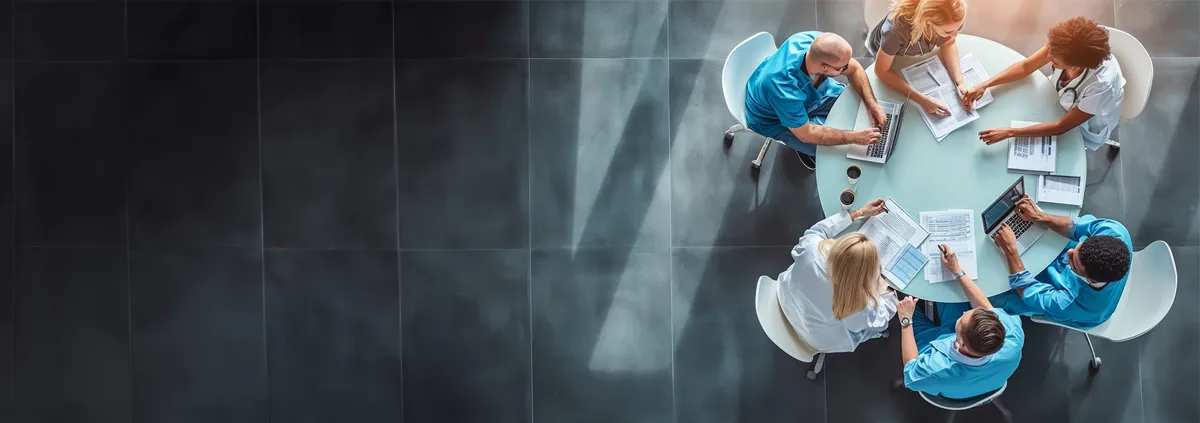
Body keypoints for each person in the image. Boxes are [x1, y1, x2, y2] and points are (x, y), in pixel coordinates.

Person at [968, 17, 1125, 151]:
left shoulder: (1101, 86)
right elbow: (1026, 67)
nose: (1047, 56)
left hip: (1088, 119)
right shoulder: (1064, 45)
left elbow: (1060, 126)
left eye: (1053, 60)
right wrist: (985, 84)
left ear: (1074, 65)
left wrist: (1009, 133)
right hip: (1058, 99)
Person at [745, 31, 887, 170]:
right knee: (836, 151)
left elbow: (854, 69)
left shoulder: (815, 42)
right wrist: (853, 137)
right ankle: (805, 150)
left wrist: (872, 104)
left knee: (853, 104)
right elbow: (807, 134)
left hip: (805, 95)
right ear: (824, 68)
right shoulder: (783, 88)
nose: (847, 68)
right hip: (773, 118)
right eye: (842, 68)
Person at [897, 244, 1024, 399]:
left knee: (907, 306)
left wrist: (905, 320)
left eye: (962, 319)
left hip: (947, 369)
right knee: (949, 291)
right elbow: (986, 307)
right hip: (984, 374)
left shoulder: (935, 369)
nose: (965, 312)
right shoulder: (1012, 336)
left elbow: (911, 370)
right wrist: (957, 271)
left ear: (961, 341)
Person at [777, 198, 899, 353]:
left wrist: (858, 213)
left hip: (784, 295)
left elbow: (818, 230)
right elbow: (879, 321)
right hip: (812, 335)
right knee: (871, 329)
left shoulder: (811, 250)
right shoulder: (854, 303)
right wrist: (887, 293)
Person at [990, 198, 1132, 329]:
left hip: (1075, 310)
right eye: (1077, 248)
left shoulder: (1071, 304)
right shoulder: (1115, 232)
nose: (1069, 252)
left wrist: (1011, 250)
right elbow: (1075, 227)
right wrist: (1040, 217)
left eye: (1074, 263)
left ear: (1090, 279)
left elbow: (1027, 292)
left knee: (994, 297)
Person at [868, 0, 971, 116]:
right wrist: (921, 99)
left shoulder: (952, 18)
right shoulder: (894, 32)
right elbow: (881, 71)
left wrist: (959, 82)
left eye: (957, 28)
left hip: (909, 55)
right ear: (928, 23)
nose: (955, 34)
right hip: (887, 52)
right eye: (948, 31)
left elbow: (949, 43)